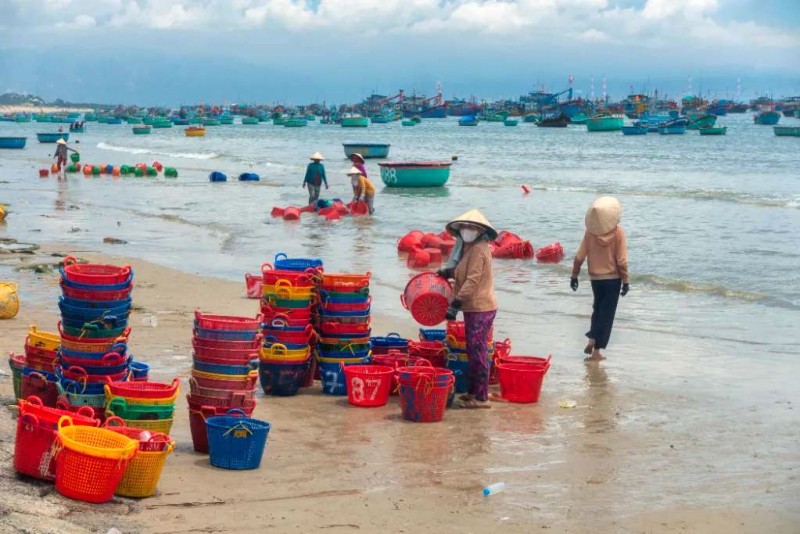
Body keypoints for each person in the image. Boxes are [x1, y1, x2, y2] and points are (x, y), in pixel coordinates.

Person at [437, 209, 498, 409]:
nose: (466, 230)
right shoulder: (468, 247)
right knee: (472, 350)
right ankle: (473, 391)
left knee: (478, 351)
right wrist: (448, 272)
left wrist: (456, 303)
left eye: (471, 227)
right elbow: (463, 271)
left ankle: (481, 398)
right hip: (472, 307)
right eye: (464, 227)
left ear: (480, 231)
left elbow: (473, 280)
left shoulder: (480, 249)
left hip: (481, 306)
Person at [570, 196, 629, 362]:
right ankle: (596, 349)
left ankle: (592, 339)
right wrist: (626, 281)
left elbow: (579, 256)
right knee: (607, 314)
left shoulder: (590, 234)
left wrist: (574, 275)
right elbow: (622, 260)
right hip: (613, 279)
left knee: (597, 309)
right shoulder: (619, 233)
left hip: (596, 279)